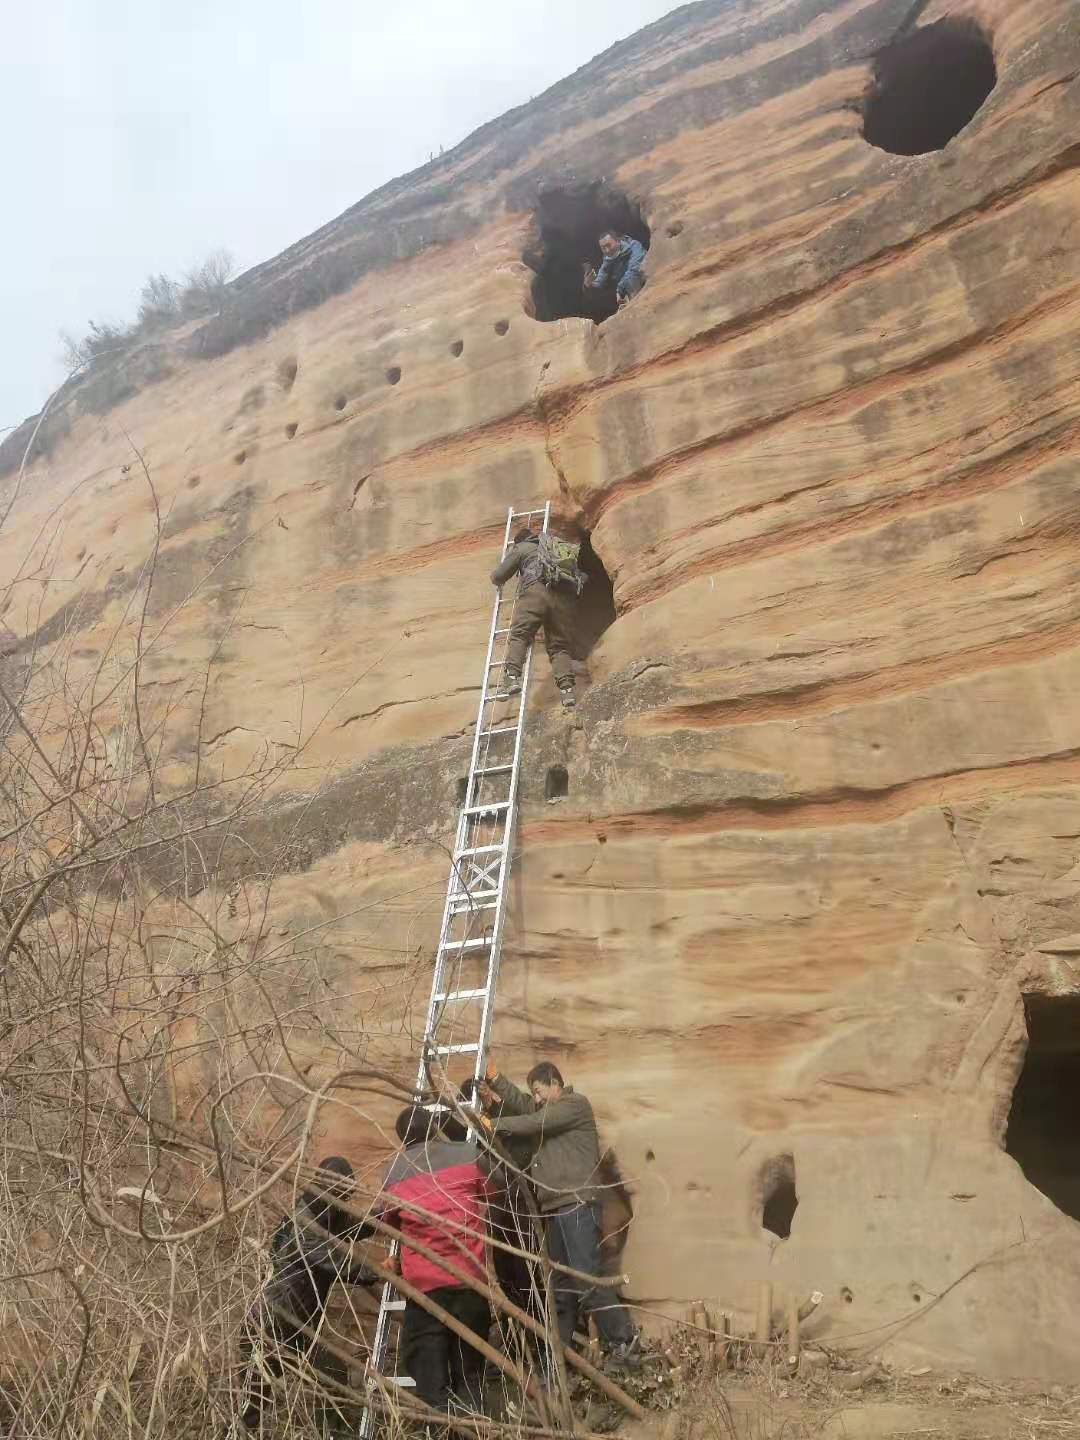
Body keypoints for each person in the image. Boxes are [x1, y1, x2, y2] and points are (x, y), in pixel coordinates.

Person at [482, 1059, 640, 1366]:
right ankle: (559, 1356)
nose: (536, 1099)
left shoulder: (575, 1105)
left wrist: (494, 1124)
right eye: (534, 1094)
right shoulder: (547, 1108)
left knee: (585, 1278)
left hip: (577, 1202)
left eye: (540, 1091)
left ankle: (624, 1342)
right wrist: (497, 1079)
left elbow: (535, 1121)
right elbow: (526, 1105)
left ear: (556, 1083)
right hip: (556, 1208)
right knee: (561, 1287)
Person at [238, 1156, 376, 1433]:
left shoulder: (322, 1209)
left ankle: (334, 1433)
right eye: (344, 1188)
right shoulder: (308, 1220)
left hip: (296, 1323)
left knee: (328, 1376)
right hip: (274, 1322)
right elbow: (333, 1260)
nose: (348, 1194)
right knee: (254, 1398)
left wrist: (385, 1215)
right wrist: (379, 1272)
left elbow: (354, 1226)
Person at [380, 1105, 494, 1415]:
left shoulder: (395, 1171)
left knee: (429, 1382)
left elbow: (387, 1220)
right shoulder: (468, 1154)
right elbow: (493, 1193)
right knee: (469, 1378)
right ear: (435, 1128)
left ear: (404, 1139)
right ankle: (474, 1431)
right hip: (470, 1282)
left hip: (427, 1291)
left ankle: (441, 1430)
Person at [460, 1076, 541, 1320]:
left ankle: (537, 1335)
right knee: (505, 1270)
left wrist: (492, 1110)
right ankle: (515, 1334)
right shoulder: (469, 1132)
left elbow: (520, 1156)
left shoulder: (507, 1118)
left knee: (527, 1269)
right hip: (497, 1207)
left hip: (522, 1204)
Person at [490, 528, 588, 710]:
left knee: (520, 634)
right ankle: (567, 692)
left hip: (536, 593)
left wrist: (494, 578)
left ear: (519, 541)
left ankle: (511, 678)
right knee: (559, 647)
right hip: (563, 600)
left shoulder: (522, 548)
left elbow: (499, 576)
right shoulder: (554, 548)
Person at [583, 231, 647, 309]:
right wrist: (588, 285)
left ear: (617, 241)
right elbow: (600, 280)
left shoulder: (634, 246)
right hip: (627, 290)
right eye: (603, 248)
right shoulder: (608, 260)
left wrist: (619, 290)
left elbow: (633, 270)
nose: (607, 250)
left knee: (632, 278)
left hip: (645, 281)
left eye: (608, 245)